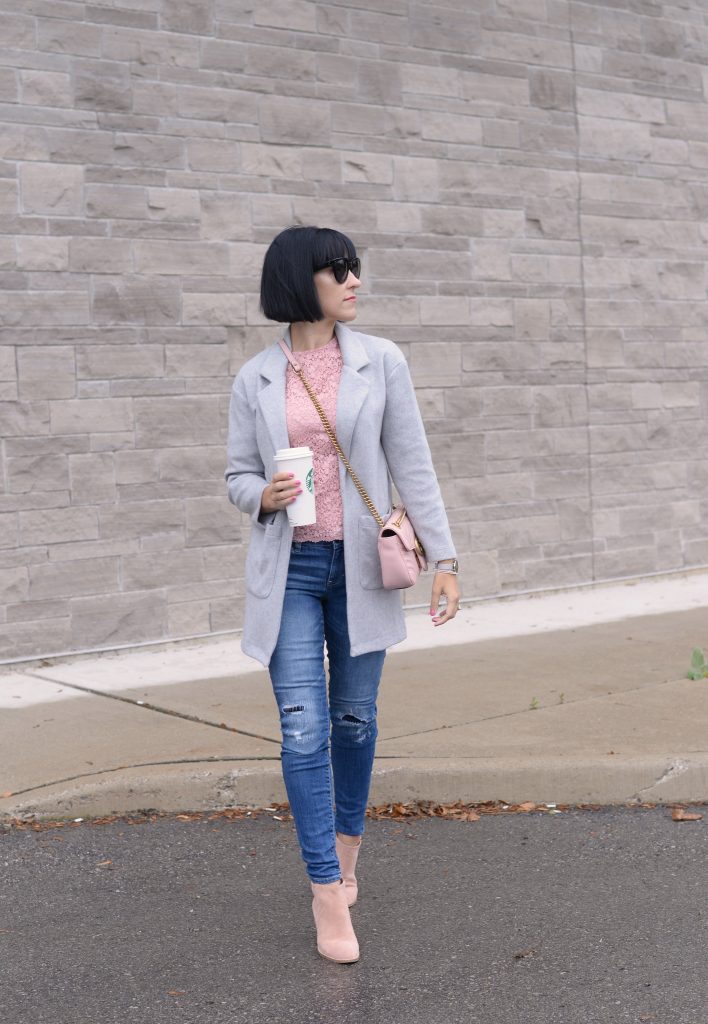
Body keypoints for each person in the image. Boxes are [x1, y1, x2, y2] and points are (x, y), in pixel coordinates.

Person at [225, 225, 460, 964]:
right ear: (302, 282)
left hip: (361, 570)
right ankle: (327, 891)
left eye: (355, 270)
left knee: (354, 721)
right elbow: (234, 475)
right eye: (340, 271)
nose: (355, 281)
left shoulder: (382, 362)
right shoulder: (255, 377)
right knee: (303, 729)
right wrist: (263, 492)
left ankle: (347, 854)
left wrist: (445, 556)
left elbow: (411, 463)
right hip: (289, 571)